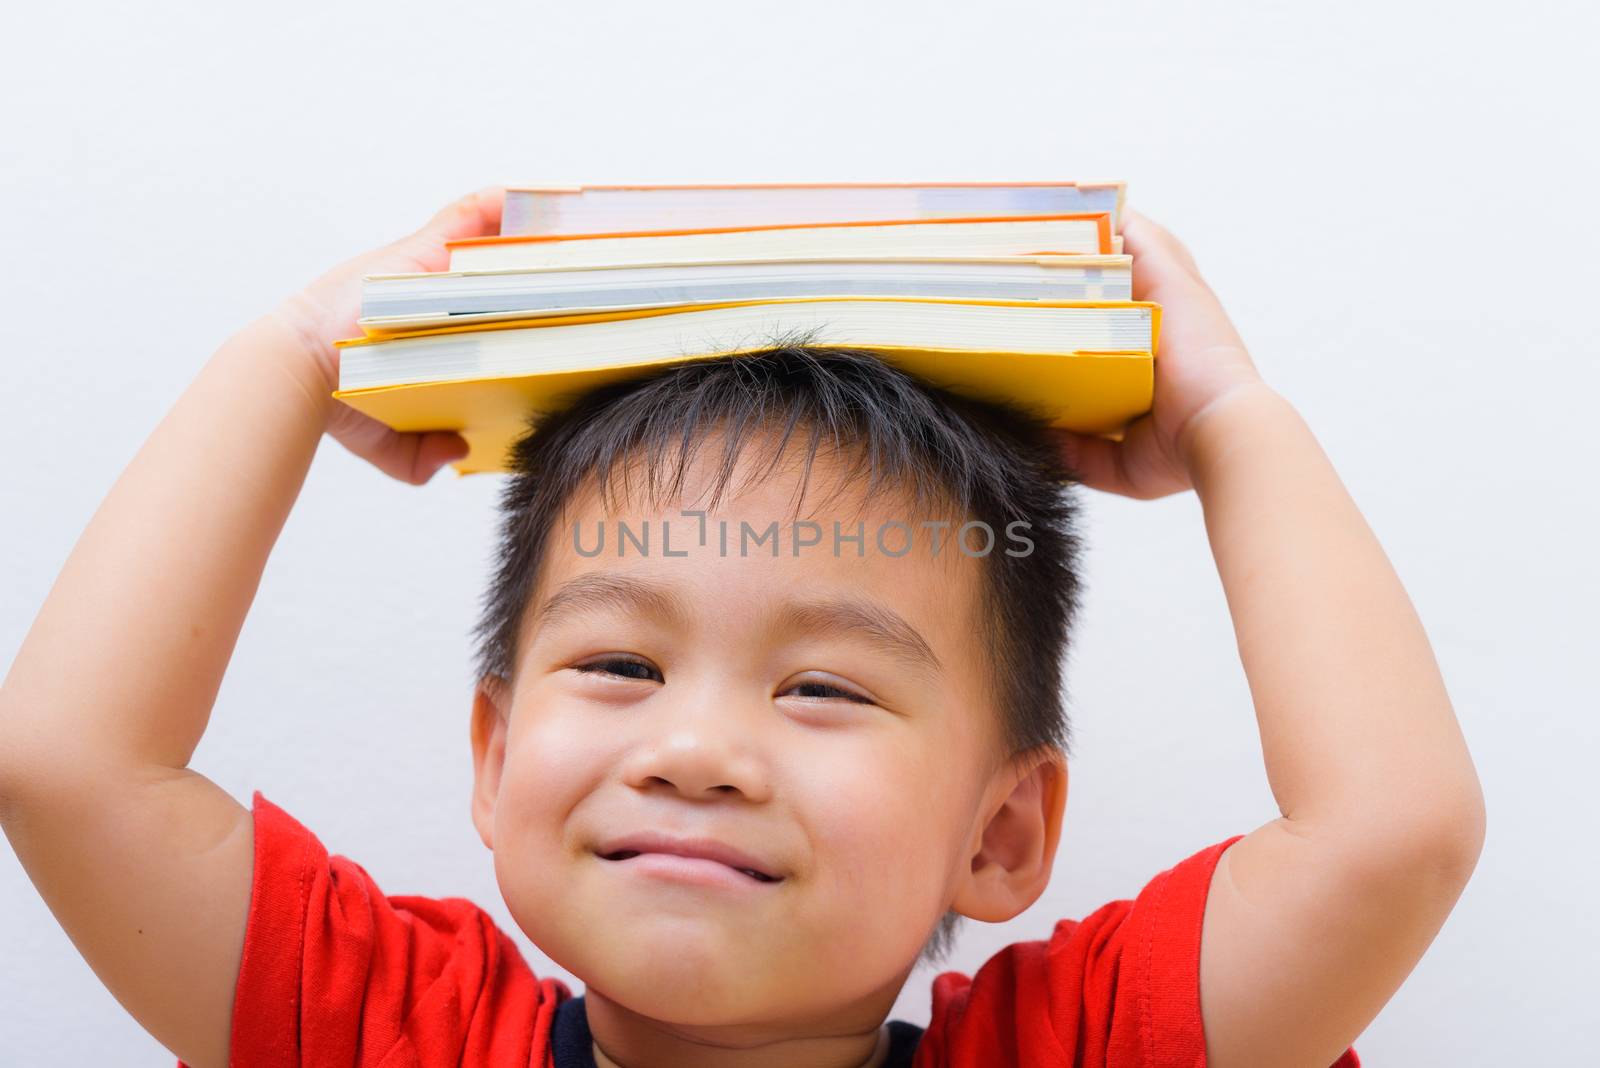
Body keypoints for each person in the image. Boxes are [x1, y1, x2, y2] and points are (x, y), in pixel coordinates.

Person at [0, 187, 1485, 1067]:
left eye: (825, 686)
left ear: (1006, 833)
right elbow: (70, 767)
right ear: (496, 752)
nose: (697, 749)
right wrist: (293, 359)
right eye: (622, 664)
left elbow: (1389, 836)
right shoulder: (403, 1035)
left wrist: (1232, 420)